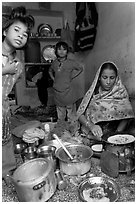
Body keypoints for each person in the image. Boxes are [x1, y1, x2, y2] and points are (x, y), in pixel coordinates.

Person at [2, 6, 35, 182]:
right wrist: (3, 70)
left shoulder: (18, 65)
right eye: (16, 30)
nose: (21, 35)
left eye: (25, 34)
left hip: (2, 107)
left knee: (5, 139)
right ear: (5, 30)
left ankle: (6, 170)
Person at [77, 61, 134, 145]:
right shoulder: (94, 93)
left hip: (113, 136)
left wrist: (114, 136)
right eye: (104, 77)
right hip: (92, 134)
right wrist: (91, 126)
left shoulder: (121, 92)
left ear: (116, 78)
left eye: (112, 78)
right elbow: (80, 114)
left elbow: (126, 116)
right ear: (99, 77)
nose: (108, 82)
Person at [49, 41, 83, 124]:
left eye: (64, 49)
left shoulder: (71, 63)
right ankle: (61, 127)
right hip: (57, 91)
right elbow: (50, 71)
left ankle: (72, 128)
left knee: (71, 111)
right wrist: (54, 79)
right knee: (60, 113)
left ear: (67, 51)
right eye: (59, 49)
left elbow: (80, 68)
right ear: (56, 51)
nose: (61, 51)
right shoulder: (54, 63)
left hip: (68, 90)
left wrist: (72, 77)